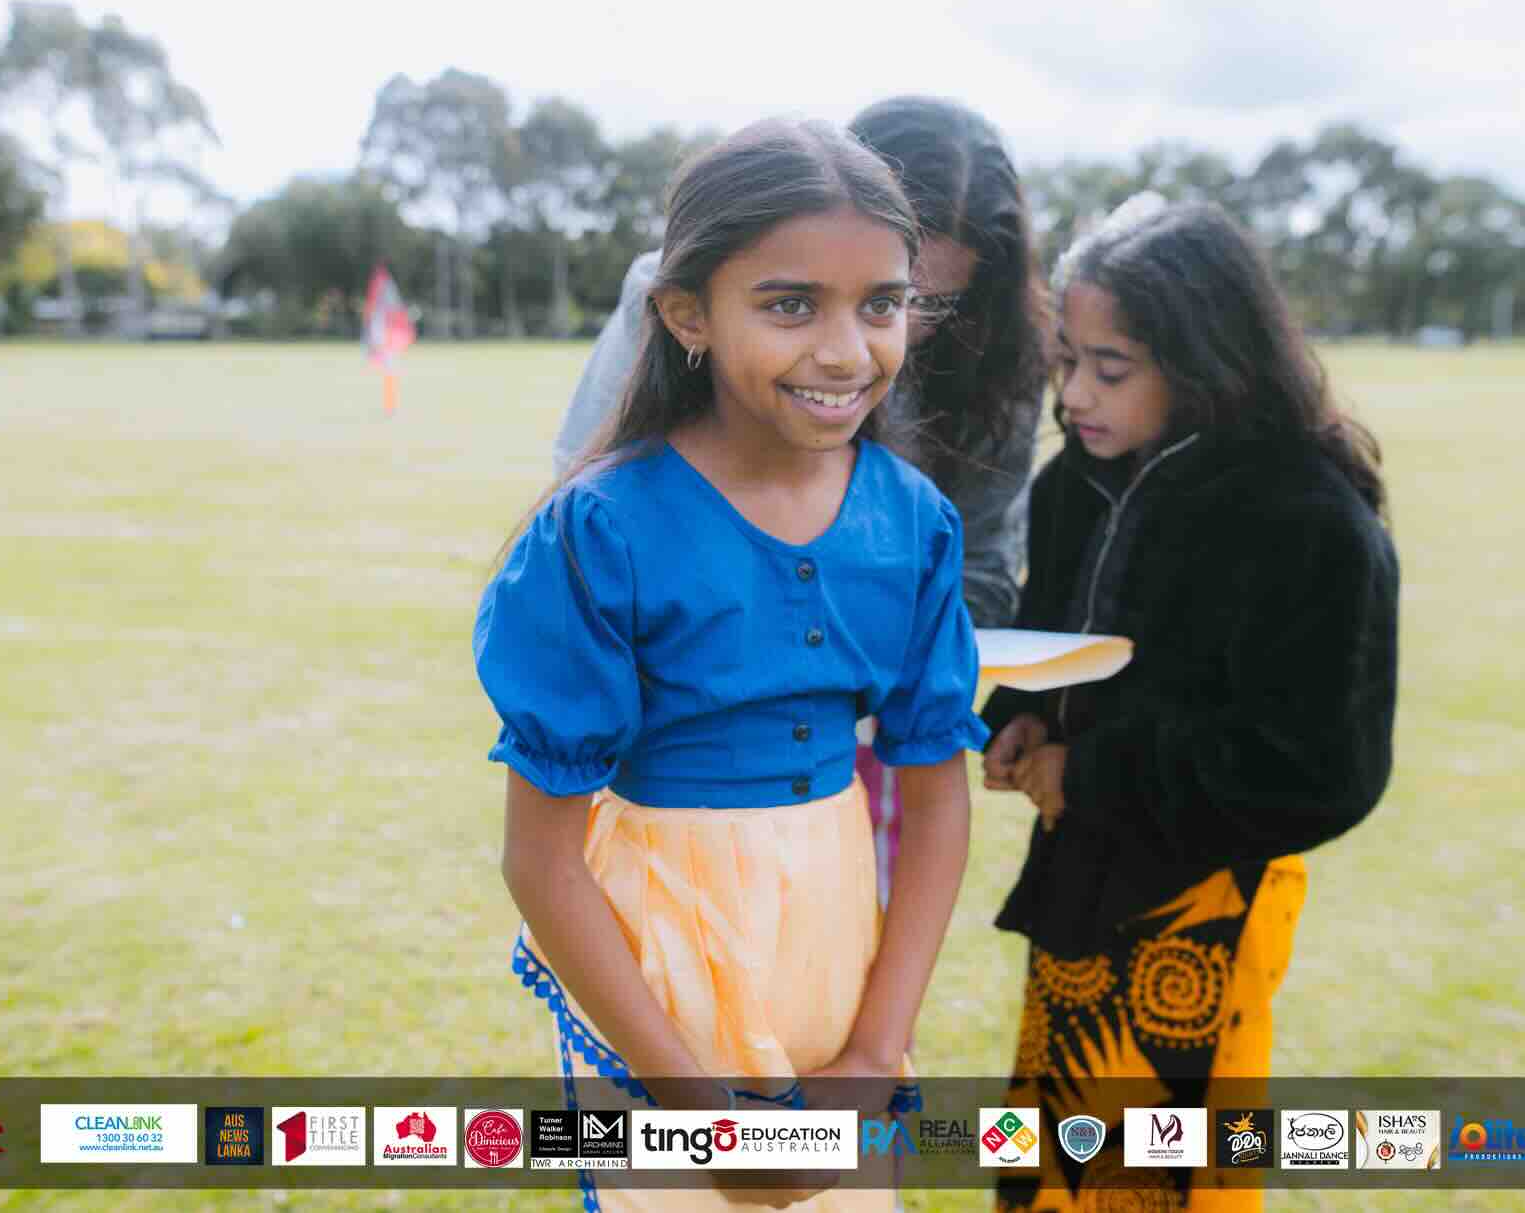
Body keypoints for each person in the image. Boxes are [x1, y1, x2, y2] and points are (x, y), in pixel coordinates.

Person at [479, 117, 988, 1210]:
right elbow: (541, 860)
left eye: (881, 304)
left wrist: (872, 1055)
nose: (847, 350)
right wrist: (699, 1119)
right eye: (789, 304)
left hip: (835, 957)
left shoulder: (914, 525)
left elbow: (936, 798)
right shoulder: (598, 534)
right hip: (655, 975)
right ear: (684, 315)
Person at [977, 200, 1400, 1211]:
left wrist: (1093, 772)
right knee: (1045, 1169)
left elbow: (1317, 768)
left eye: (1109, 368)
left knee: (1165, 1184)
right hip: (1076, 888)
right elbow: (1051, 640)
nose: (1074, 394)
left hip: (1207, 907)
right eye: (1064, 360)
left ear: (1207, 359)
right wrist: (1020, 720)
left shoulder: (1306, 517)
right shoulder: (1073, 483)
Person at [554, 95, 1045, 906]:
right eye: (796, 304)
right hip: (683, 749)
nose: (855, 348)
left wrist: (883, 632)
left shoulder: (1000, 364)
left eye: (912, 303)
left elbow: (986, 561)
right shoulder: (673, 301)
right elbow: (591, 493)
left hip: (874, 738)